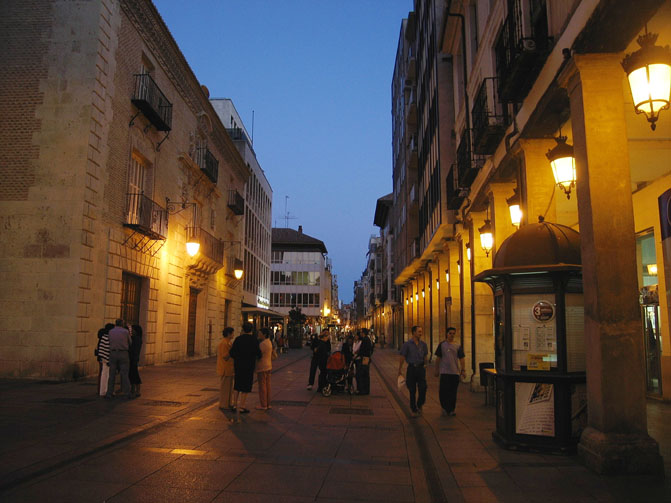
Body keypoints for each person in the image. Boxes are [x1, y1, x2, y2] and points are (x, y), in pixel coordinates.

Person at [230, 321, 261, 422]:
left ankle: (234, 404)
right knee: (246, 386)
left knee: (237, 384)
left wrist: (238, 358)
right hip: (249, 366)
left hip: (238, 365)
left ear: (243, 330)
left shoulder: (238, 339)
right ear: (251, 330)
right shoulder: (254, 340)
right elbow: (259, 353)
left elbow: (232, 353)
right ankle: (242, 406)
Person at [435, 327, 466, 416]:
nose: (452, 335)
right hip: (444, 372)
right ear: (447, 334)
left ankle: (451, 409)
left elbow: (462, 358)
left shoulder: (457, 346)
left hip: (454, 372)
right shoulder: (442, 345)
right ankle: (444, 407)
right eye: (450, 333)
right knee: (443, 391)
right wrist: (437, 369)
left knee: (453, 392)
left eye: (453, 333)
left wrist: (463, 370)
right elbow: (438, 358)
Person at [398, 325, 429, 416]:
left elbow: (425, 355)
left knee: (423, 387)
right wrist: (400, 369)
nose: (421, 333)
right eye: (419, 331)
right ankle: (413, 408)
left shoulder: (423, 344)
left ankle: (420, 403)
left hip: (421, 368)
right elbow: (402, 356)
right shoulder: (407, 344)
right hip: (411, 368)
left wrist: (425, 364)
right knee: (412, 390)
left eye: (421, 331)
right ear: (414, 332)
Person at [105, 319, 132, 399]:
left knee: (112, 374)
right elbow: (130, 342)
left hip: (113, 353)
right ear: (122, 324)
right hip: (123, 353)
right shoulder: (125, 332)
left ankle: (109, 393)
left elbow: (109, 341)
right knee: (124, 374)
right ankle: (126, 393)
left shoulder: (111, 331)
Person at [217, 327, 235, 410]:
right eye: (232, 333)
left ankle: (228, 403)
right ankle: (224, 404)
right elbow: (225, 356)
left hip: (229, 369)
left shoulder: (229, 343)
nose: (233, 335)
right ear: (228, 334)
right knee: (225, 388)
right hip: (225, 368)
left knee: (229, 388)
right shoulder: (224, 343)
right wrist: (232, 352)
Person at [256, 327, 273, 410]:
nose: (258, 335)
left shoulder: (263, 344)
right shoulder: (269, 342)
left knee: (262, 386)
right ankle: (268, 403)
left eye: (260, 333)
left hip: (262, 366)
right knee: (267, 385)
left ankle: (263, 404)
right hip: (268, 365)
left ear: (264, 334)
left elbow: (258, 355)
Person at [96, 323, 113, 397]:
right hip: (107, 359)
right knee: (107, 375)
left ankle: (101, 391)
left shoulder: (102, 336)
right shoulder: (108, 337)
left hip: (102, 357)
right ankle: (105, 391)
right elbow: (108, 349)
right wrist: (109, 359)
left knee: (103, 374)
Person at [356, 328, 373, 395]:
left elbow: (363, 350)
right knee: (365, 375)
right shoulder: (367, 339)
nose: (360, 333)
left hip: (364, 359)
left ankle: (362, 390)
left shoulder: (365, 340)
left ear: (363, 333)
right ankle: (365, 390)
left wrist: (357, 355)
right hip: (366, 358)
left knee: (362, 374)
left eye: (361, 332)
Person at [129, 324, 143, 398]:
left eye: (133, 330)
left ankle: (137, 389)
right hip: (133, 358)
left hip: (133, 358)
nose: (132, 331)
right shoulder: (136, 338)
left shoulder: (136, 339)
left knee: (134, 374)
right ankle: (133, 388)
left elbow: (134, 349)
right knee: (131, 373)